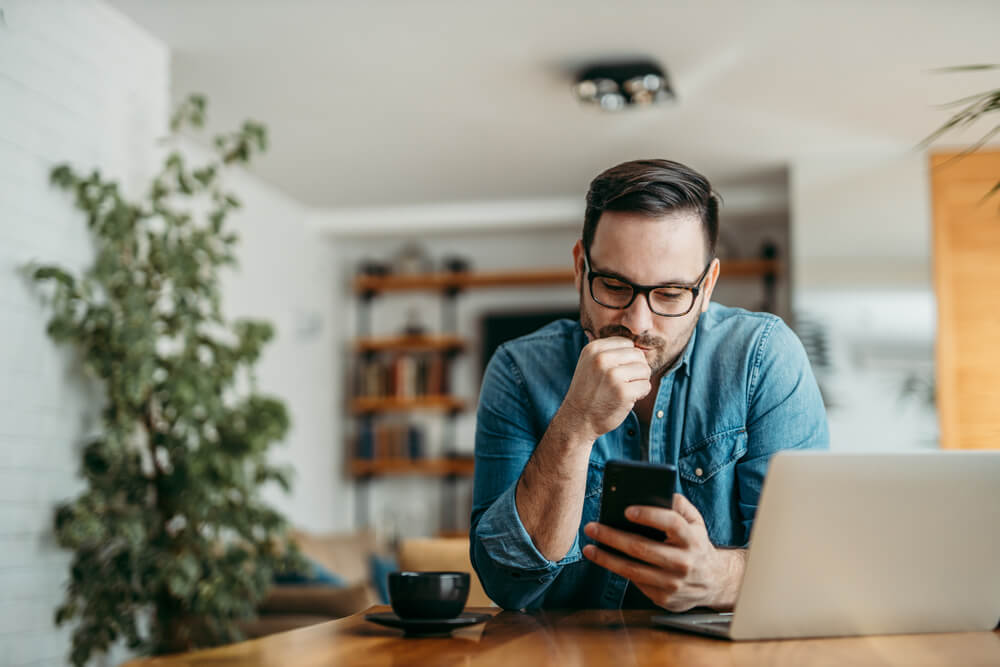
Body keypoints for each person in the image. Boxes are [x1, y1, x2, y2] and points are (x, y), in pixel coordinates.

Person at [469, 159, 829, 612]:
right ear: (581, 268)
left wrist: (717, 579)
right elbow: (506, 583)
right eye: (615, 286)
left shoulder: (763, 358)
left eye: (671, 294)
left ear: (708, 286)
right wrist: (575, 426)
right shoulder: (518, 370)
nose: (638, 323)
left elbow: (810, 567)